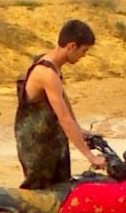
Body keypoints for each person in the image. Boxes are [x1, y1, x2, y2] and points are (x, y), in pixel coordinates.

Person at [14, 19, 106, 189]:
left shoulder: (54, 67)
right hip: (37, 145)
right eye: (83, 51)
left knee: (60, 186)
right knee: (41, 191)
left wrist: (79, 129)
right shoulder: (46, 73)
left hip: (51, 139)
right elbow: (64, 118)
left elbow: (63, 99)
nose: (83, 56)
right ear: (71, 46)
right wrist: (90, 157)